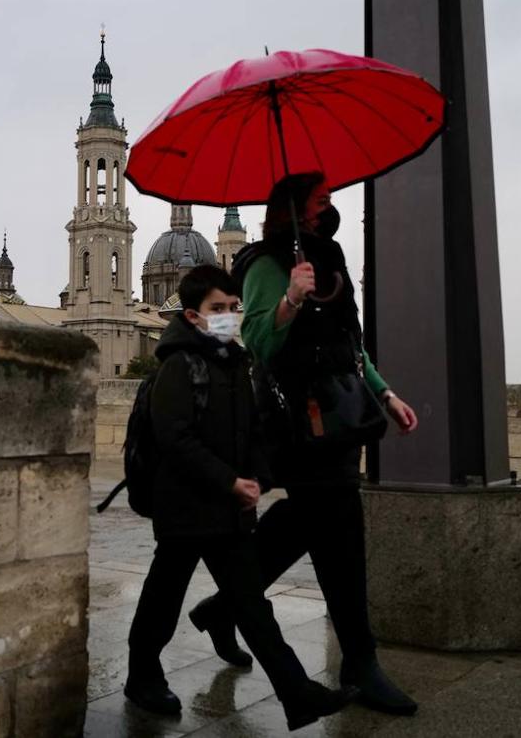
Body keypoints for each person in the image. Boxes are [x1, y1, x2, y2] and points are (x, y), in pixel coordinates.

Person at [187, 172, 423, 716]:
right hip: (300, 426)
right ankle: (360, 661)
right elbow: (263, 343)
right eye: (323, 200)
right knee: (341, 536)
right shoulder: (267, 268)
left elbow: (347, 344)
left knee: (304, 522)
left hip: (341, 418)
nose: (331, 206)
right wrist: (291, 299)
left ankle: (225, 608)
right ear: (297, 209)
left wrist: (385, 395)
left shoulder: (326, 260)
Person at [125, 264, 356, 731]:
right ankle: (142, 676)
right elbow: (176, 440)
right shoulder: (177, 366)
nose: (229, 316)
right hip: (186, 511)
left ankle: (298, 693)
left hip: (227, 512)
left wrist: (255, 479)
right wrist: (230, 482)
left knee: (253, 607)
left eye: (234, 308)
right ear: (192, 316)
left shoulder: (235, 363)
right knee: (162, 599)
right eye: (218, 309)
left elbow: (251, 431)